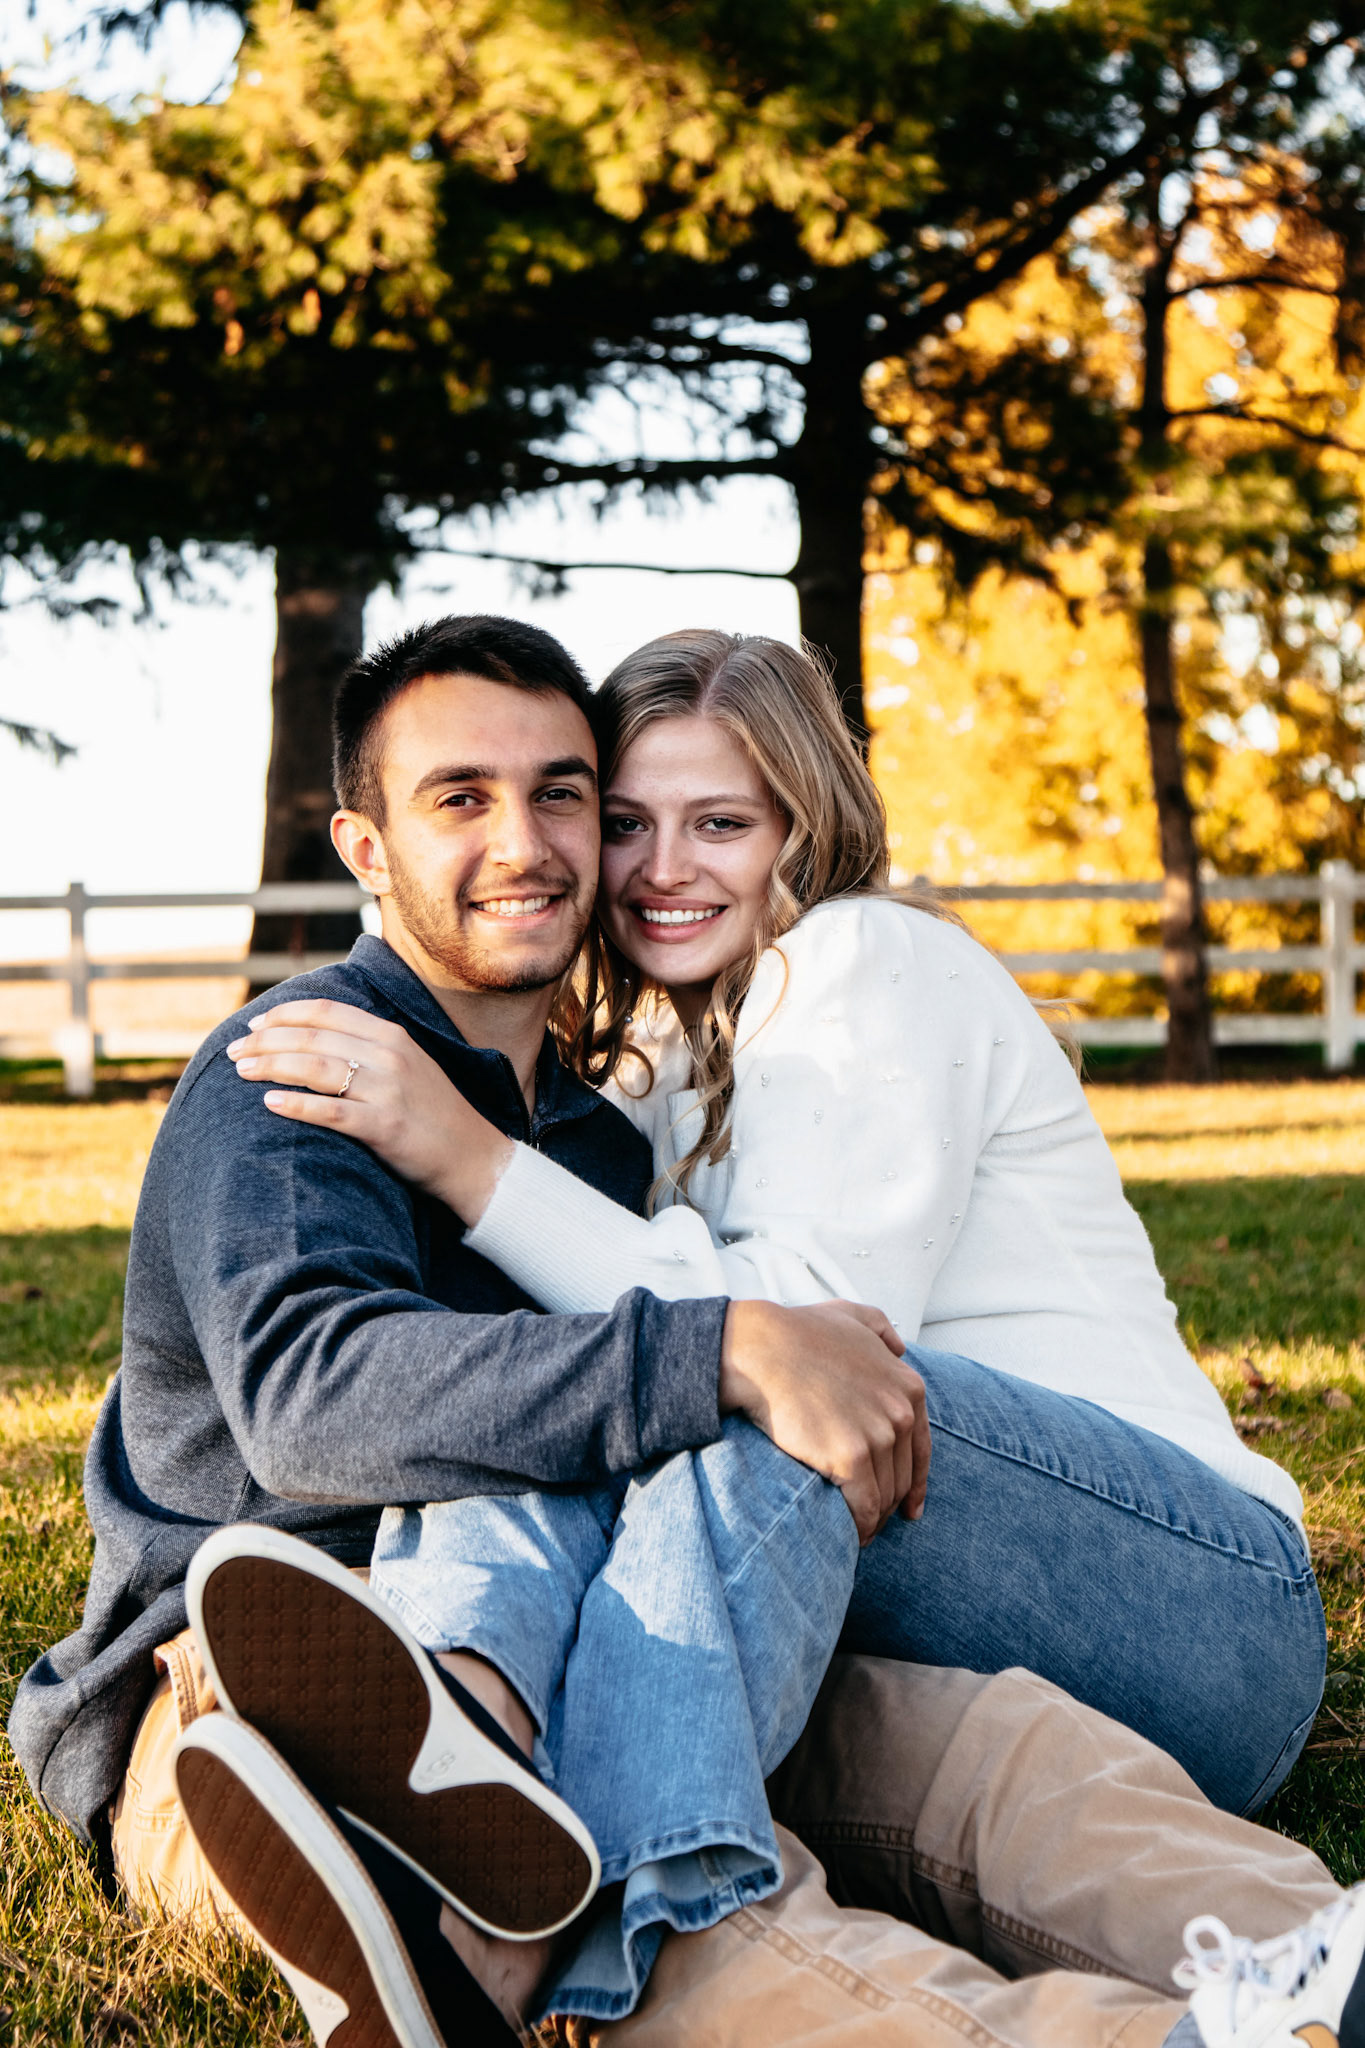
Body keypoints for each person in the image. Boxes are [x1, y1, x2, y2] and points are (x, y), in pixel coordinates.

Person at [228, 628, 1327, 2027]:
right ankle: (461, 1743)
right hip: (956, 1618)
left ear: (805, 830)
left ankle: (533, 1932)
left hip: (1194, 1608)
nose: (661, 868)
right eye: (628, 823)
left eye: (721, 825)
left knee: (779, 1382)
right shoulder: (653, 1063)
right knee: (582, 1395)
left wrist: (465, 1155)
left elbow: (799, 1341)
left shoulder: (869, 958)